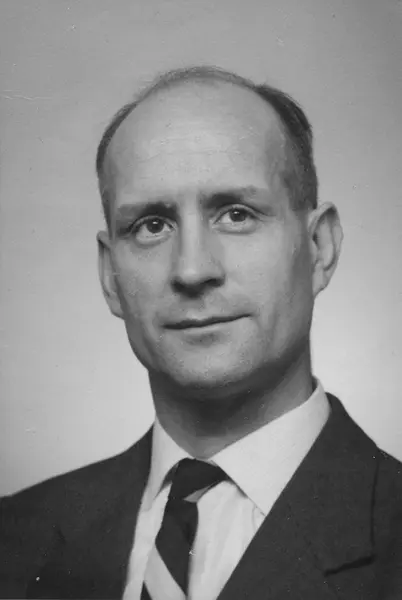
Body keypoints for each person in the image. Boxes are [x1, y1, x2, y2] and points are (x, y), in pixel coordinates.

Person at [1, 65, 401, 600]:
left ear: (319, 249)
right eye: (152, 226)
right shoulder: (13, 540)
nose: (192, 270)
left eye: (236, 214)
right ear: (110, 275)